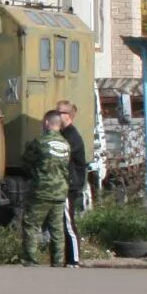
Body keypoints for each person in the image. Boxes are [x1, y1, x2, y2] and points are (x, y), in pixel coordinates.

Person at [21, 110, 78, 268]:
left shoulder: (40, 141)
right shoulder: (66, 145)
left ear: (47, 123)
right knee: (57, 229)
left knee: (31, 225)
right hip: (60, 192)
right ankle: (58, 262)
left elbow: (26, 161)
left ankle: (31, 260)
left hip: (42, 191)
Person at [55, 99, 87, 268]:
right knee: (60, 221)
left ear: (68, 116)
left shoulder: (71, 136)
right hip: (63, 183)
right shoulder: (63, 134)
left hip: (70, 184)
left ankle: (74, 259)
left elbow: (62, 154)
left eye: (59, 112)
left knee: (68, 221)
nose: (56, 115)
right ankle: (65, 258)